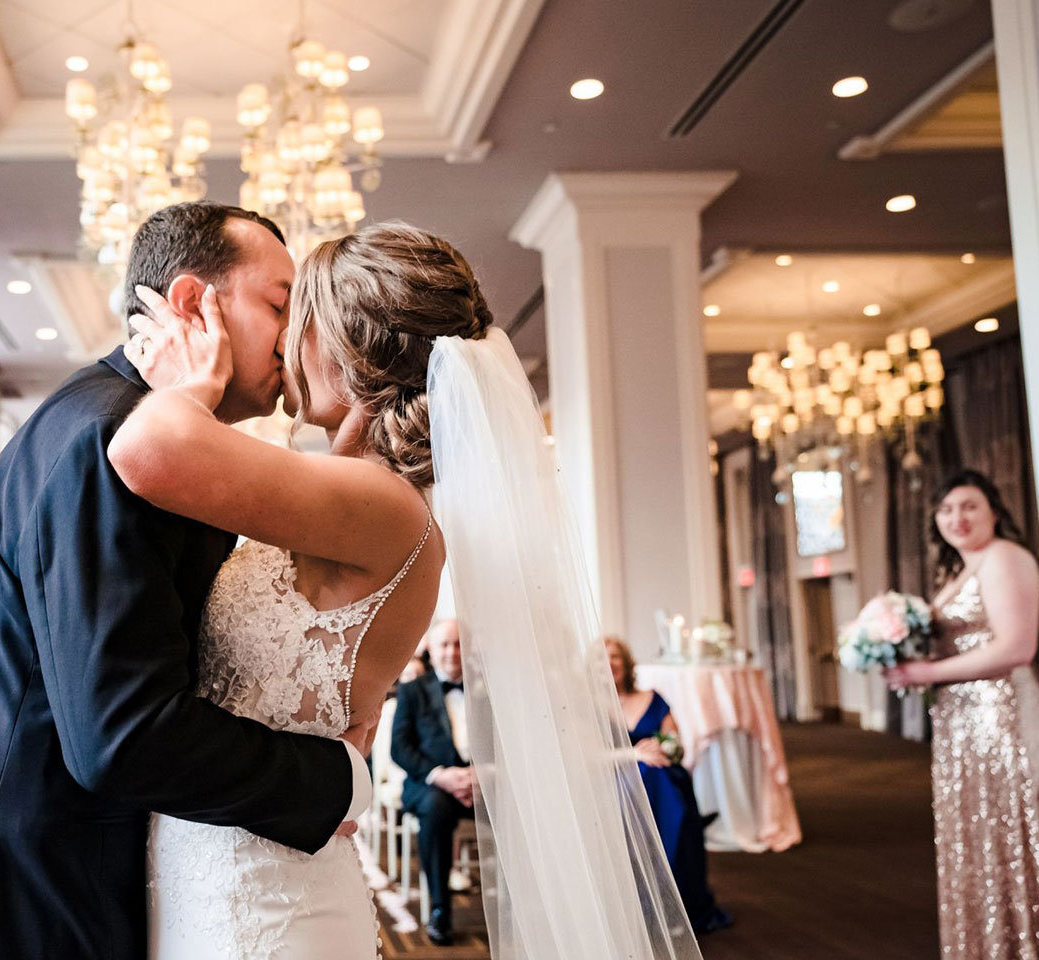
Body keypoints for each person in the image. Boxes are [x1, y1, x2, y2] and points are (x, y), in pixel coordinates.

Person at [116, 221, 699, 959]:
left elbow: (144, 449)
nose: (283, 338)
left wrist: (191, 378)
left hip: (260, 905)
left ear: (348, 347)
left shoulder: (383, 504)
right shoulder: (344, 491)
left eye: (301, 315)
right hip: (229, 864)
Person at [0, 202, 372, 960]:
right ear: (196, 303)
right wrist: (333, 778)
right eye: (277, 305)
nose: (294, 337)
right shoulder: (113, 439)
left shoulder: (134, 429)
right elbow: (122, 733)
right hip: (10, 897)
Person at [885, 470, 1039, 958]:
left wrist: (924, 674)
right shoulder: (957, 573)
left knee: (1013, 839)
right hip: (963, 724)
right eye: (946, 509)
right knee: (980, 846)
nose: (958, 518)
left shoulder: (1004, 558)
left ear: (995, 510)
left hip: (1004, 719)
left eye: (970, 506)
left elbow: (1018, 646)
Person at [606, 637, 731, 934]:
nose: (609, 664)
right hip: (616, 777)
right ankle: (651, 903)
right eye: (602, 659)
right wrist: (633, 755)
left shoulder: (652, 698)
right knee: (649, 775)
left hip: (660, 774)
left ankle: (677, 899)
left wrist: (663, 749)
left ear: (626, 663)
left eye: (615, 657)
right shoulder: (589, 708)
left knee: (662, 775)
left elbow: (677, 744)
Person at [390, 619, 474, 945]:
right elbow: (400, 748)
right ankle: (441, 910)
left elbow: (506, 743)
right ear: (431, 650)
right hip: (429, 785)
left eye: (457, 643)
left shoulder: (487, 692)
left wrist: (484, 774)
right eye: (444, 644)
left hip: (480, 783)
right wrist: (442, 775)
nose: (452, 652)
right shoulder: (413, 691)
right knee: (436, 808)